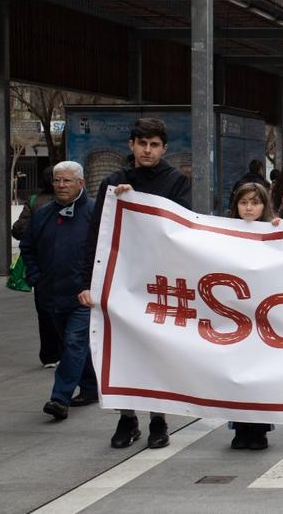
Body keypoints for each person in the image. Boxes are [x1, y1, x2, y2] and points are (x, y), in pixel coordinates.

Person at [79, 117, 192, 449]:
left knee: (157, 349)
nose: (147, 150)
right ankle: (127, 418)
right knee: (122, 349)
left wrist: (140, 203)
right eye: (142, 143)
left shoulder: (175, 181)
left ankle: (159, 419)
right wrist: (89, 282)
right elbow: (97, 233)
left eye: (154, 144)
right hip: (121, 279)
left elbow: (182, 227)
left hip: (159, 279)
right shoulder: (114, 182)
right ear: (131, 145)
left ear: (163, 148)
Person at [24, 162, 98, 422]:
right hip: (51, 295)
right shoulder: (43, 214)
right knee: (75, 346)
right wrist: (35, 277)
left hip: (83, 296)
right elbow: (27, 248)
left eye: (67, 181)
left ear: (81, 183)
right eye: (57, 181)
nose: (61, 185)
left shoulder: (94, 213)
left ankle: (60, 398)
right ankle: (90, 387)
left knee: (74, 343)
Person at [225, 183, 281, 450]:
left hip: (264, 315)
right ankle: (239, 428)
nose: (249, 208)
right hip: (234, 314)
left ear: (264, 206)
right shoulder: (223, 233)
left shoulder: (274, 231)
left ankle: (259, 430)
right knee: (237, 372)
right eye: (244, 202)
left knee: (260, 373)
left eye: (255, 203)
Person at [11, 166, 61, 368]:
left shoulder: (34, 201)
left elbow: (18, 229)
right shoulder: (70, 202)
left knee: (45, 312)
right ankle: (64, 353)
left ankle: (50, 355)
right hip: (58, 266)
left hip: (41, 268)